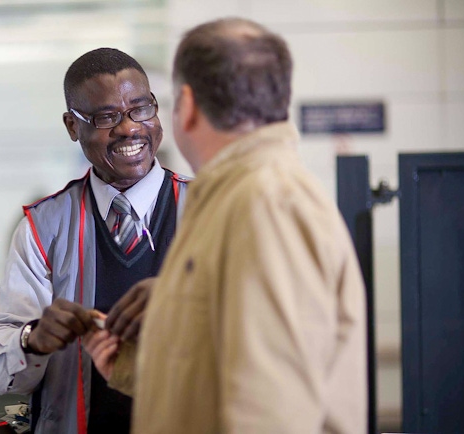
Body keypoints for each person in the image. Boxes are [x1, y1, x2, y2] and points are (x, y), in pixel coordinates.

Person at [84, 18, 368, 433]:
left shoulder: (266, 206)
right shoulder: (232, 199)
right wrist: (133, 369)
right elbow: (230, 374)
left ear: (187, 104)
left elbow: (270, 412)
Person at [0, 48, 189, 433]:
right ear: (72, 126)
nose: (129, 128)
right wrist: (33, 339)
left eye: (141, 108)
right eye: (106, 117)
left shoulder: (208, 212)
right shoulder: (44, 228)